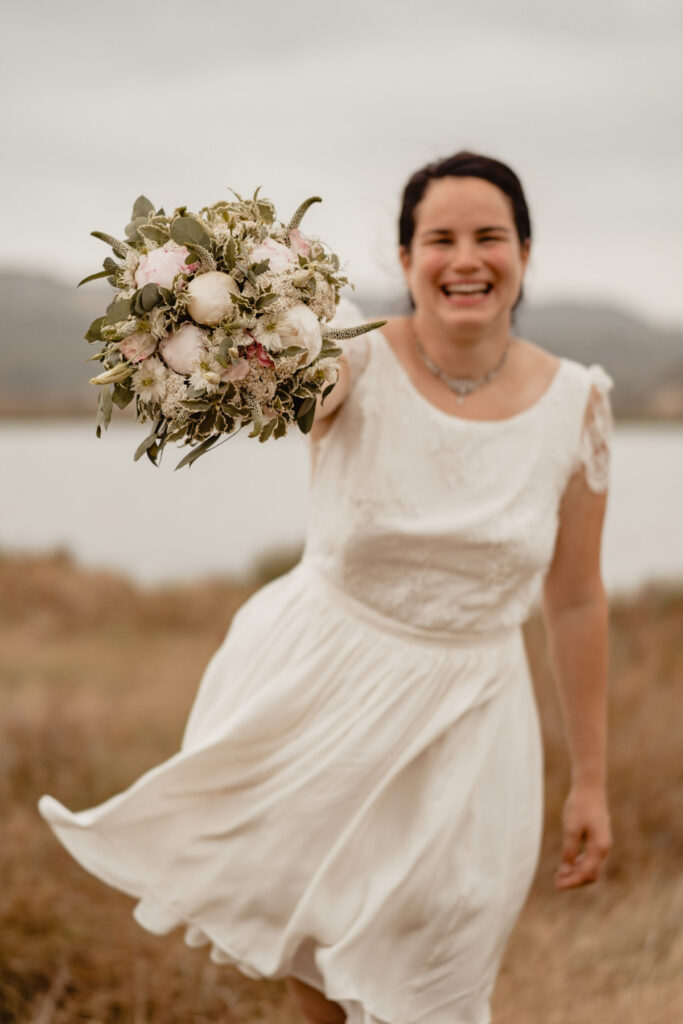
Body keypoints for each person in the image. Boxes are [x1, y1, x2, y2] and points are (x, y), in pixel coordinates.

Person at [39, 150, 614, 1024]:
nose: (465, 259)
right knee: (325, 966)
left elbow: (574, 600)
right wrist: (234, 316)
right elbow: (285, 386)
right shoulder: (349, 359)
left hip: (474, 717)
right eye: (439, 239)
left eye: (489, 237)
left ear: (524, 255)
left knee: (442, 976)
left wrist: (592, 781)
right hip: (324, 696)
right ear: (404, 256)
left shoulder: (577, 402)